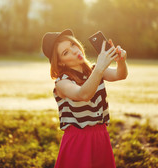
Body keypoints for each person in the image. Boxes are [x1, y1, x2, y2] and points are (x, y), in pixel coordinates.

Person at [42, 29, 128, 168]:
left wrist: (121, 61)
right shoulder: (62, 82)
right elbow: (83, 94)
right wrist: (99, 68)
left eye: (73, 45)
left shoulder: (94, 70)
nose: (74, 51)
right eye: (66, 52)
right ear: (61, 63)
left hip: (101, 137)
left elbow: (120, 75)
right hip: (78, 141)